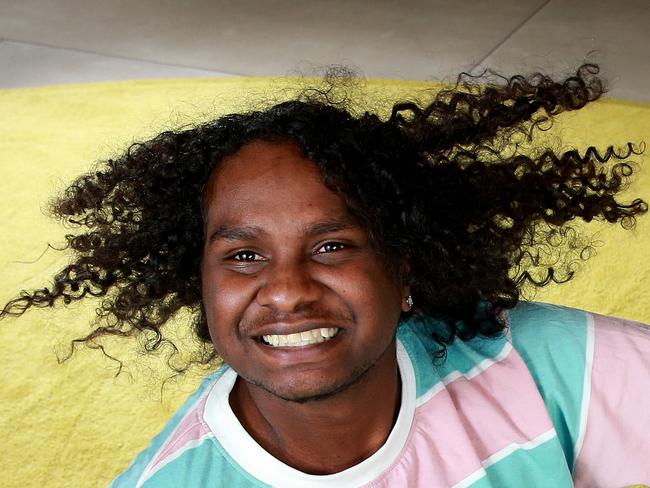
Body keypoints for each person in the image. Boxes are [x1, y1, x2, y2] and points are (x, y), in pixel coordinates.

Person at [2, 65, 650, 487]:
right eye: (245, 256)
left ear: (403, 267)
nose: (286, 289)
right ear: (197, 285)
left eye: (333, 245)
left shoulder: (540, 362)